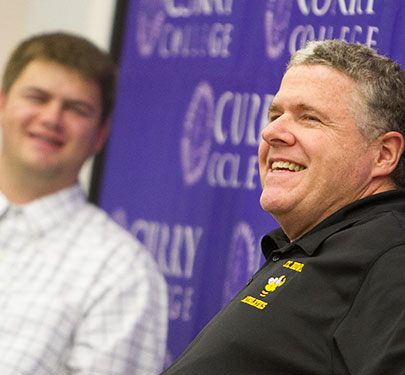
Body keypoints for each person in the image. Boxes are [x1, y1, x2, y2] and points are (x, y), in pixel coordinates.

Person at [161, 40, 405, 374]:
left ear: (384, 154)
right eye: (275, 115)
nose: (272, 132)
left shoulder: (392, 260)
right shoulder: (313, 246)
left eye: (310, 118)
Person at [0, 32, 168, 374]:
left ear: (100, 135)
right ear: (2, 105)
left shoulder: (120, 272)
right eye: (38, 97)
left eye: (76, 109)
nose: (51, 118)